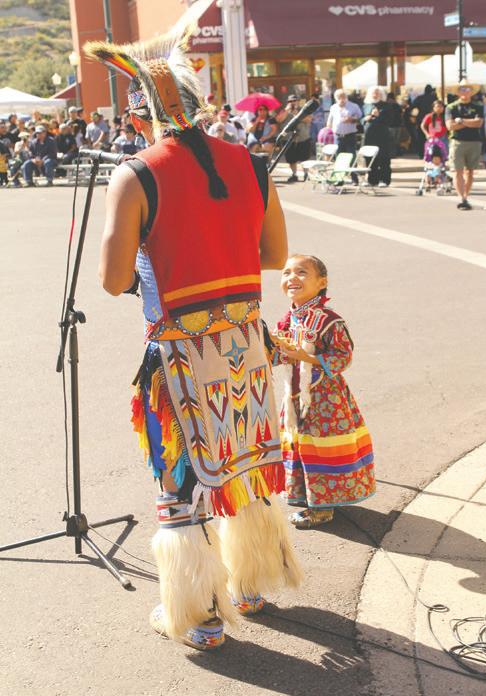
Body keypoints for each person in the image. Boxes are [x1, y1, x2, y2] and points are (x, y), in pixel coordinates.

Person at [85, 28, 302, 650]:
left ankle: (201, 615)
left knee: (178, 480)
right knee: (244, 460)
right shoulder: (252, 165)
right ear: (200, 106)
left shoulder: (135, 175)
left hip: (180, 352)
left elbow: (113, 281)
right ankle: (253, 582)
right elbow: (274, 255)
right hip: (245, 342)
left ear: (139, 116)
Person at [270, 254, 375, 529]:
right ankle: (309, 497)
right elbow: (282, 355)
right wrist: (271, 348)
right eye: (286, 273)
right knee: (301, 445)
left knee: (321, 448)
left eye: (302, 272)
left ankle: (322, 509)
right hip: (295, 396)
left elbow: (343, 356)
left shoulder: (329, 321)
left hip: (325, 400)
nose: (292, 278)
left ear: (321, 282)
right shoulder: (288, 320)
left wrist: (305, 357)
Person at [445, 80, 484, 211]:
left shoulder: (478, 106)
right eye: (462, 89)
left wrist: (461, 121)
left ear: (471, 92)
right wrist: (469, 122)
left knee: (470, 171)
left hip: (474, 141)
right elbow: (450, 126)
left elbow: (479, 123)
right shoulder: (451, 107)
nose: (465, 92)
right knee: (458, 171)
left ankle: (466, 195)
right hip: (457, 142)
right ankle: (462, 198)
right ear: (458, 92)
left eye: (467, 89)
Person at [327, 89, 362, 182]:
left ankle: (354, 178)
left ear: (346, 97)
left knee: (352, 156)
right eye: (339, 97)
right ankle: (339, 179)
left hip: (350, 135)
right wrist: (328, 128)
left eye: (343, 97)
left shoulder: (353, 106)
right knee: (339, 158)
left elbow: (360, 117)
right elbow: (330, 120)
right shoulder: (333, 107)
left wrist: (352, 119)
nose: (341, 99)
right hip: (338, 136)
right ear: (336, 98)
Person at [362, 86, 392, 187]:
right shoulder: (366, 105)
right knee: (369, 158)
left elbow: (390, 120)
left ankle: (384, 180)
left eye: (377, 93)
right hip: (369, 136)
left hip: (382, 136)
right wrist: (365, 119)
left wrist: (378, 115)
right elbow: (361, 120)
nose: (375, 95)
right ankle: (372, 180)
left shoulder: (386, 106)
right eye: (374, 93)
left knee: (383, 158)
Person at [283, 95, 313, 183]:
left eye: (294, 100)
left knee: (304, 158)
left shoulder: (304, 110)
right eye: (290, 101)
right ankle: (294, 174)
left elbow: (308, 119)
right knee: (291, 158)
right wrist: (286, 111)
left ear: (298, 101)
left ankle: (306, 174)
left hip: (303, 137)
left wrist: (296, 113)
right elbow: (279, 120)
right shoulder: (285, 111)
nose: (292, 103)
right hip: (289, 138)